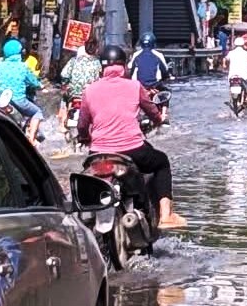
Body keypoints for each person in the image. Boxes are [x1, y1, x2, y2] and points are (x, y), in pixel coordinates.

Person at [77, 45, 186, 229]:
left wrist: (84, 137)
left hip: (98, 152)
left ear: (102, 68)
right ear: (124, 67)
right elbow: (151, 110)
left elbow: (82, 124)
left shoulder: (89, 90)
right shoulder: (135, 86)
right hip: (133, 150)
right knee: (161, 162)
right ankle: (166, 215)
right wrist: (159, 119)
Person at [0, 39, 43, 143]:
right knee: (37, 112)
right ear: (19, 52)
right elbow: (33, 82)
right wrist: (40, 85)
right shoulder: (23, 66)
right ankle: (31, 139)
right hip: (19, 100)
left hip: (2, 100)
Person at [57, 35, 103, 132]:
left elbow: (64, 75)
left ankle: (62, 125)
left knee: (64, 99)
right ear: (96, 49)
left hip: (73, 93)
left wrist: (65, 85)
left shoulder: (74, 60)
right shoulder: (97, 63)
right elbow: (99, 79)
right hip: (90, 94)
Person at [225, 34, 247, 99]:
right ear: (243, 44)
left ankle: (232, 97)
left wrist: (226, 66)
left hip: (232, 75)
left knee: (230, 84)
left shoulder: (231, 53)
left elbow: (226, 59)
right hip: (244, 75)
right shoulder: (246, 53)